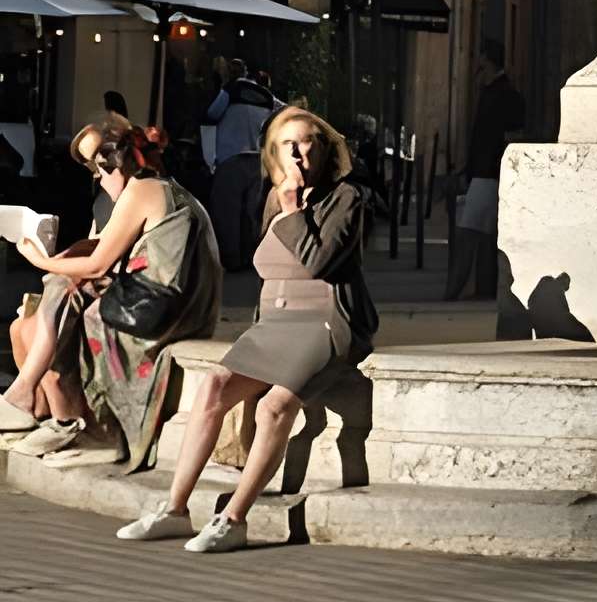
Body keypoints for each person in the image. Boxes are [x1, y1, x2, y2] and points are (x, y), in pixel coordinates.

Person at [120, 102, 376, 554]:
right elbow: (268, 268)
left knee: (274, 407)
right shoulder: (274, 198)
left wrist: (294, 210)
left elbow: (317, 262)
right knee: (214, 386)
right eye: (287, 145)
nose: (296, 154)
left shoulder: (346, 198)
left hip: (324, 321)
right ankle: (175, 509)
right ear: (274, 152)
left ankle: (234, 519)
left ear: (323, 149)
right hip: (273, 325)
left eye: (306, 144)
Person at [2, 115, 222, 461]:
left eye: (99, 167)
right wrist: (62, 260)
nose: (96, 177)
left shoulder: (142, 190)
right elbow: (102, 245)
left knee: (60, 292)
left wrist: (41, 261)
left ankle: (61, 416)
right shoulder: (155, 187)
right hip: (170, 301)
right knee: (54, 296)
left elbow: (98, 264)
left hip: (162, 309)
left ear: (119, 163)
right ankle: (42, 407)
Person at [449, 38, 524, 300]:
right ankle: (482, 289)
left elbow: (503, 135)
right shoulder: (495, 92)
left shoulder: (502, 94)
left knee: (469, 232)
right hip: (485, 172)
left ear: (486, 60)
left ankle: (454, 291)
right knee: (484, 235)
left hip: (488, 174)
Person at [204, 57, 277, 271]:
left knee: (227, 212)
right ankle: (252, 257)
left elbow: (211, 115)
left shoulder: (230, 90)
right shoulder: (265, 96)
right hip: (257, 160)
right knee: (252, 213)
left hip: (231, 157)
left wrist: (209, 157)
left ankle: (232, 259)